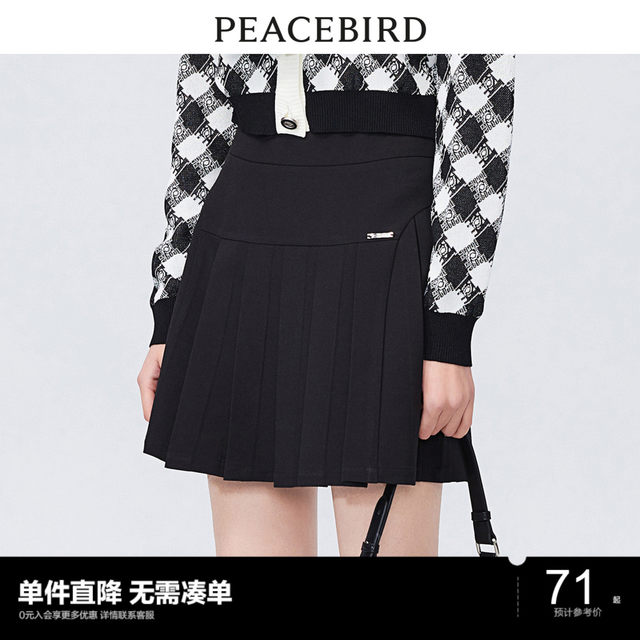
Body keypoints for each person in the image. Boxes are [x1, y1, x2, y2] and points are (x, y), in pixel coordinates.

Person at [137, 53, 516, 556]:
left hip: (387, 230)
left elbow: (480, 102)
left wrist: (448, 326)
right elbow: (199, 114)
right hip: (243, 227)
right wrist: (170, 310)